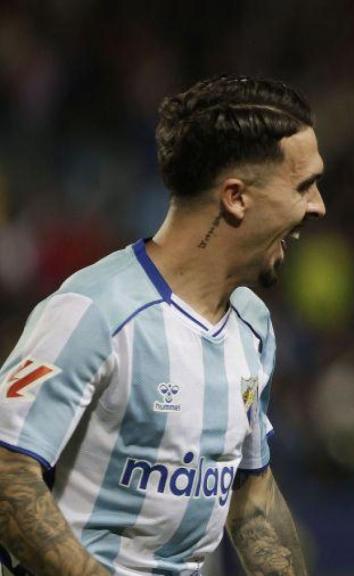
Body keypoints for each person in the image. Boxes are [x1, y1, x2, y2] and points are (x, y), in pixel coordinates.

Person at [0, 75, 324, 575]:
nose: (318, 205)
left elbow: (249, 488)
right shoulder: (93, 312)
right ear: (236, 197)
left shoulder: (253, 325)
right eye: (303, 186)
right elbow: (7, 470)